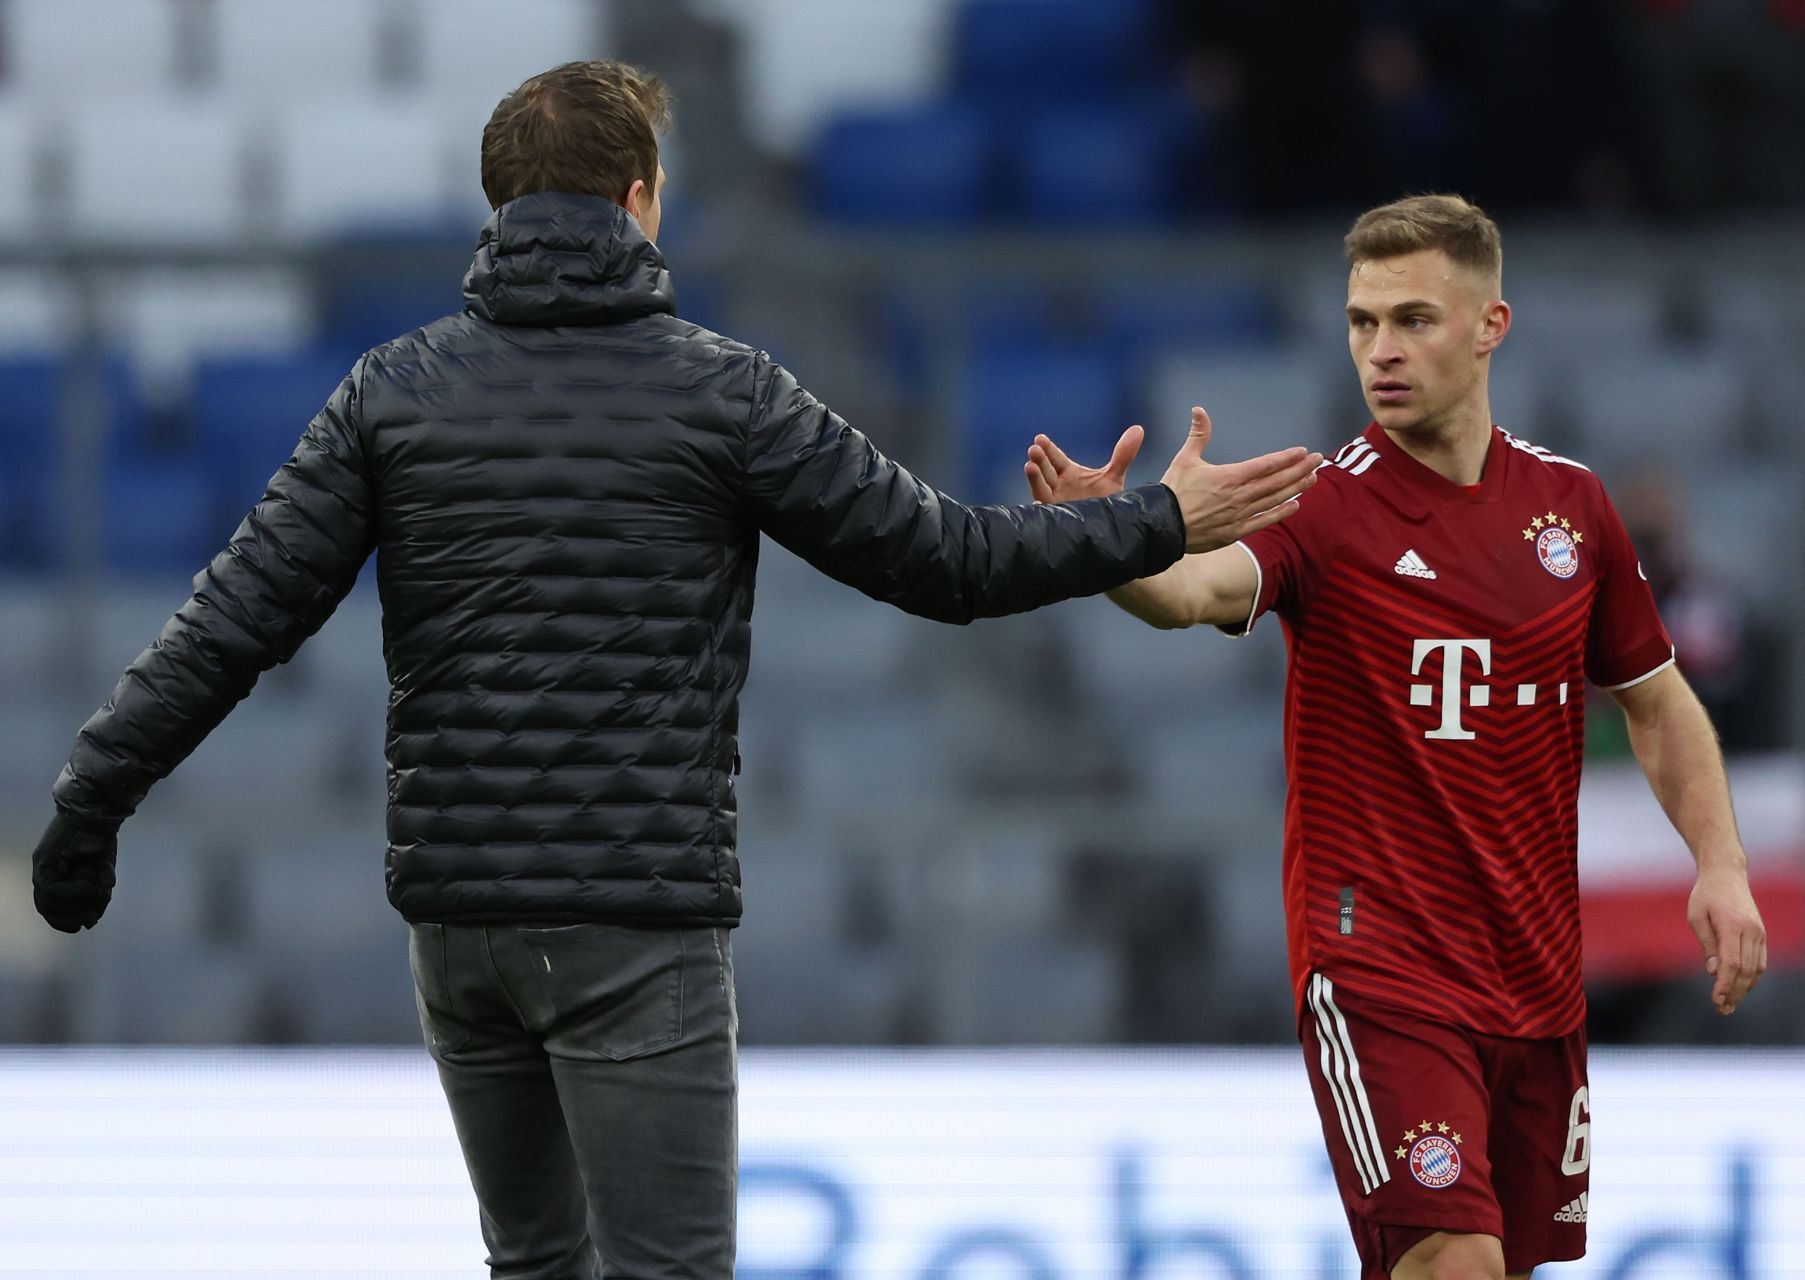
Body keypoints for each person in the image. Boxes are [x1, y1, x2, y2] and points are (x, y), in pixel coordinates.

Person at [28, 60, 1321, 1279]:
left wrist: (92, 799)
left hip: (461, 927)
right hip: (635, 924)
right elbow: (949, 565)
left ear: (501, 207)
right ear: (642, 199)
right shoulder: (723, 396)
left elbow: (232, 623)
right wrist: (1149, 522)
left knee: (531, 1268)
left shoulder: (391, 395)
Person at [1024, 193, 1767, 1280]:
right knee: (1454, 1257)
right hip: (1382, 966)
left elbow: (1654, 699)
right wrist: (1109, 539)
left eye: (1412, 318)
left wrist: (1722, 863)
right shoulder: (1325, 507)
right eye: (1363, 321)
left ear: (1489, 326)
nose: (1381, 348)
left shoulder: (1572, 510)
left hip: (1536, 976)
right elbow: (1188, 593)